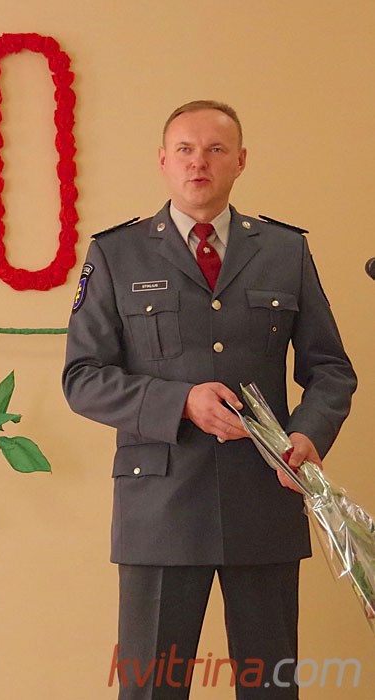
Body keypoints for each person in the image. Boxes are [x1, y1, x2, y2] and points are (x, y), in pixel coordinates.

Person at [62, 101, 356, 699]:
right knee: (152, 689)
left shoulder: (284, 250)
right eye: (186, 150)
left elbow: (330, 370)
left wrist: (308, 434)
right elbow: (83, 377)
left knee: (271, 688)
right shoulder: (116, 254)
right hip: (160, 506)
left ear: (240, 161)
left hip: (263, 499)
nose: (200, 162)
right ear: (163, 161)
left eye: (216, 150)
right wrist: (180, 402)